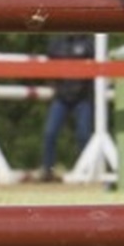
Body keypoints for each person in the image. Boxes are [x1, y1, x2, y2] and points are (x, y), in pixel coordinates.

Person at [39, 33, 95, 181]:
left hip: (82, 98)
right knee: (50, 133)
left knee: (83, 135)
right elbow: (48, 68)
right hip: (61, 97)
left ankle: (85, 172)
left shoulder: (88, 43)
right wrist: (53, 86)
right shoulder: (56, 43)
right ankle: (48, 171)